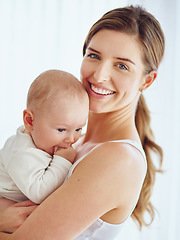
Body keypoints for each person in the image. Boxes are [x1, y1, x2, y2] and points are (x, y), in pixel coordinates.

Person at [0, 5, 164, 239]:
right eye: (94, 56)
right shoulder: (74, 137)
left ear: (147, 81)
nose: (99, 75)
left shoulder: (118, 159)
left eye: (122, 65)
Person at [0, 69, 89, 207]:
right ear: (30, 121)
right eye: (61, 130)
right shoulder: (21, 153)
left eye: (78, 129)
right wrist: (63, 161)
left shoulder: (43, 140)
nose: (71, 139)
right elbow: (40, 194)